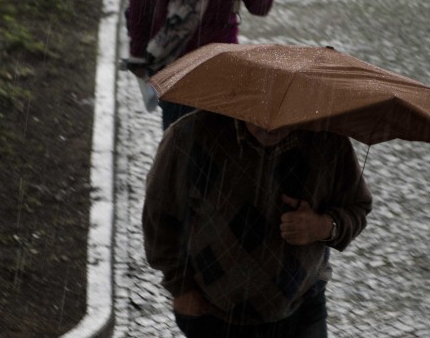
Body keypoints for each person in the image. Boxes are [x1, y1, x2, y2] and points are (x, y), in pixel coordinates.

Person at [142, 110, 373, 338]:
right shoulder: (188, 135)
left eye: (284, 110)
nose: (270, 126)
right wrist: (181, 288)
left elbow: (357, 206)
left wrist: (322, 226)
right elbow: (159, 215)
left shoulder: (328, 140)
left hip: (302, 309)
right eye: (262, 108)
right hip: (214, 315)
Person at [125, 0, 274, 129]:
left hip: (219, 66)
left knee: (215, 140)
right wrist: (137, 55)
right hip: (174, 63)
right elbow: (142, 3)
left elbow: (262, 6)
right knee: (179, 136)